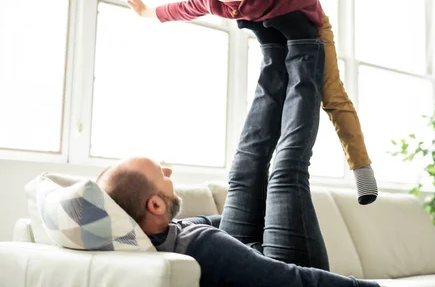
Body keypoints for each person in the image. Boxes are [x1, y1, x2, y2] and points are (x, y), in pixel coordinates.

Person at [125, 0, 380, 205]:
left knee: (332, 96)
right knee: (277, 98)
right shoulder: (216, 3)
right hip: (277, 41)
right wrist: (145, 12)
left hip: (312, 31)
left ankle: (363, 170)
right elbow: (179, 10)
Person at [98, 33, 382, 286]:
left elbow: (217, 222)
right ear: (155, 205)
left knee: (245, 171)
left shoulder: (160, 234)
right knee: (285, 173)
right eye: (162, 174)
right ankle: (306, 43)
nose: (168, 170)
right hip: (286, 271)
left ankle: (273, 50)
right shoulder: (202, 245)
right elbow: (288, 278)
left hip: (251, 252)